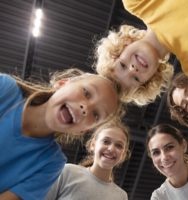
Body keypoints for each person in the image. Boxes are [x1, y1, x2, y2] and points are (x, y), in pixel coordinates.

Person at [0, 68, 121, 200]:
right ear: (62, 83)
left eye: (96, 114)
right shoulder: (5, 88)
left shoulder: (51, 164)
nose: (85, 108)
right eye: (86, 93)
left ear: (82, 130)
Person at [45, 121, 130, 200]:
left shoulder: (121, 196)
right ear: (93, 145)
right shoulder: (68, 172)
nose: (111, 148)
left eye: (119, 146)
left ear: (123, 155)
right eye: (106, 141)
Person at [94, 25, 174, 106]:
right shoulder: (187, 64)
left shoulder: (146, 12)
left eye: (122, 65)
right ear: (152, 77)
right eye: (136, 78)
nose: (133, 69)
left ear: (124, 44)